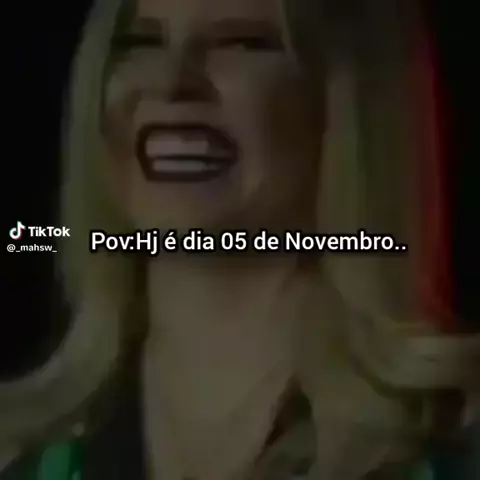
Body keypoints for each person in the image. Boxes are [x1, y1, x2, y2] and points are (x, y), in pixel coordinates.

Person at [1, 0, 479, 478]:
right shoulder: (23, 453)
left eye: (241, 43)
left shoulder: (454, 446)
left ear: (349, 99)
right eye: (141, 42)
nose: (170, 83)